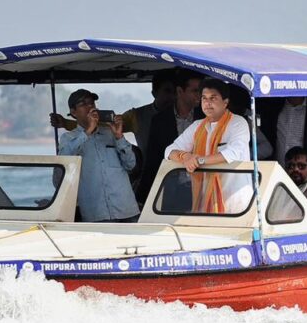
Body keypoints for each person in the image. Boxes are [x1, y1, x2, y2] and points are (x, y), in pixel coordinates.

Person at [164, 78, 251, 213]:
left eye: (213, 98)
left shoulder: (238, 123)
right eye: (204, 98)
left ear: (225, 102)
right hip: (205, 204)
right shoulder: (197, 126)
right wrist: (186, 157)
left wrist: (198, 161)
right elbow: (169, 151)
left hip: (235, 205)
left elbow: (233, 153)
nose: (207, 103)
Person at [56, 89, 140, 222]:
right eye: (83, 104)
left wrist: (119, 137)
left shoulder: (111, 133)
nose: (90, 107)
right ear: (73, 112)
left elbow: (130, 164)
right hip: (97, 214)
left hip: (126, 209)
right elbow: (63, 161)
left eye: (91, 103)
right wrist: (88, 131)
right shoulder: (68, 138)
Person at [137, 71, 203, 203]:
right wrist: (143, 195)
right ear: (180, 91)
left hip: (202, 186)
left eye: (201, 90)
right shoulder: (160, 120)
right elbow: (153, 159)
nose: (200, 95)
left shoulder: (206, 118)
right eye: (195, 91)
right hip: (172, 187)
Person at [121, 74, 177, 153]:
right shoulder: (137, 116)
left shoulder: (187, 116)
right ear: (154, 93)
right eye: (167, 91)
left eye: (175, 92)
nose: (173, 96)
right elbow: (110, 128)